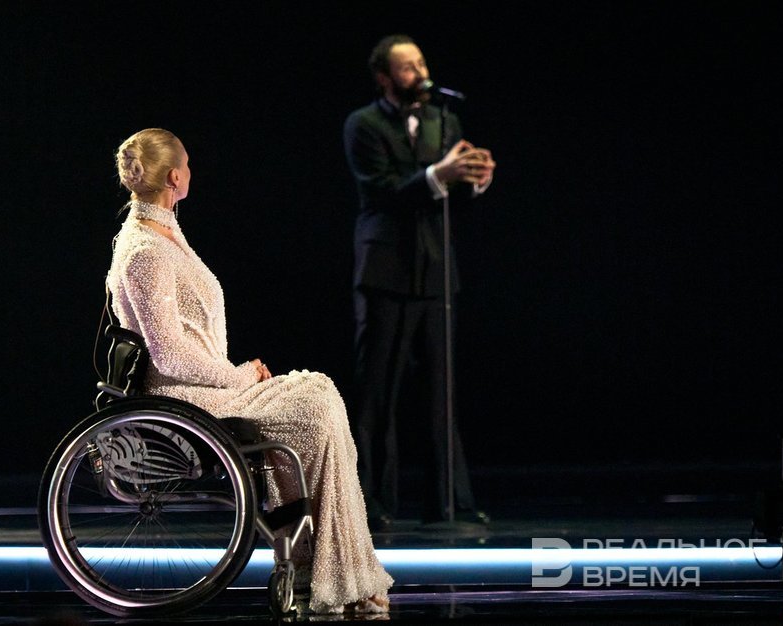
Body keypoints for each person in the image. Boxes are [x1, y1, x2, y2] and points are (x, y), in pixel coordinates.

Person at [106, 128, 393, 614]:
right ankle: (324, 566)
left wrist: (237, 377)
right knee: (313, 407)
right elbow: (170, 357)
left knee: (319, 396)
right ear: (174, 177)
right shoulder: (145, 251)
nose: (191, 172)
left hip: (209, 386)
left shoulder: (162, 233)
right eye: (188, 164)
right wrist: (240, 376)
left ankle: (327, 563)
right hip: (187, 397)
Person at [343, 35, 496, 529]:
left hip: (434, 271)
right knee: (378, 392)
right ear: (385, 78)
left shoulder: (443, 121)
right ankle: (371, 503)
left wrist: (475, 180)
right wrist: (436, 174)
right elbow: (383, 192)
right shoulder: (363, 124)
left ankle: (449, 502)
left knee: (440, 392)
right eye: (407, 67)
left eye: (421, 63)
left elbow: (450, 194)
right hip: (385, 271)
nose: (420, 73)